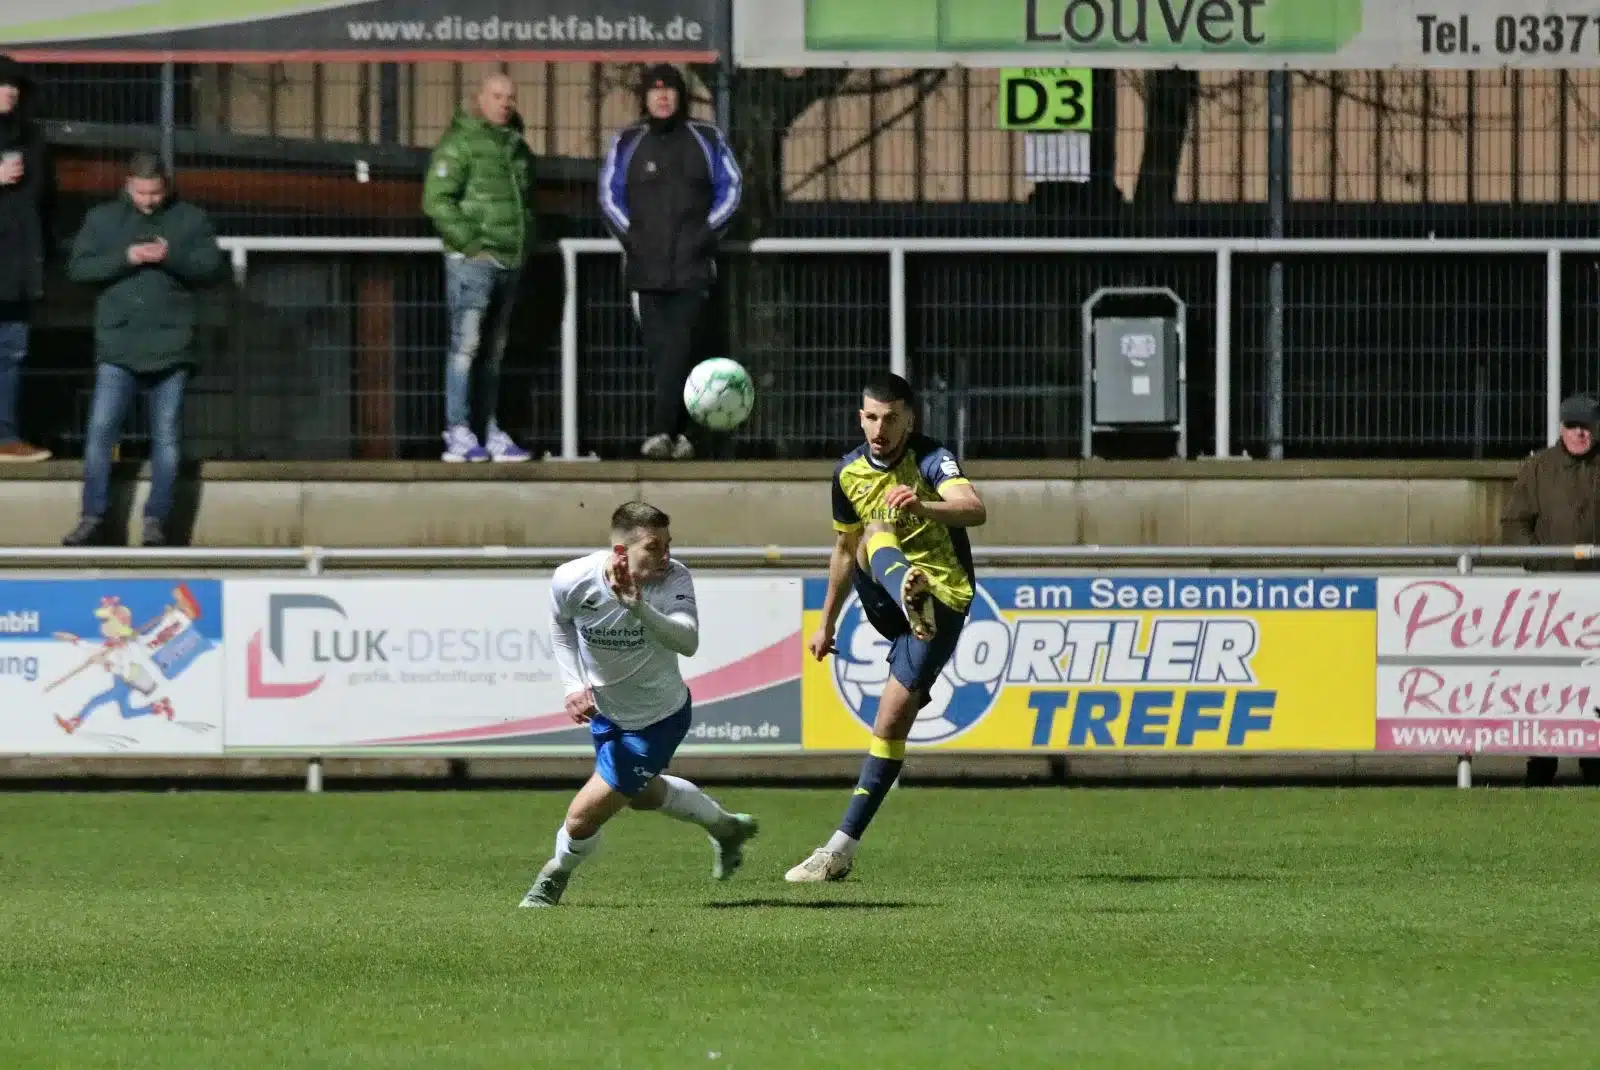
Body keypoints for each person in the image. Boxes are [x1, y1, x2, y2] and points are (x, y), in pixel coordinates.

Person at [786, 374, 988, 883]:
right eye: (872, 417)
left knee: (890, 723)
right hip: (887, 596)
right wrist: (825, 622)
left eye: (891, 418)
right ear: (860, 417)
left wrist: (923, 506)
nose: (881, 428)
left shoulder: (931, 458)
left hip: (941, 600)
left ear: (910, 420)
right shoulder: (848, 474)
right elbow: (840, 551)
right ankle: (904, 588)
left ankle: (839, 850)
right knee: (869, 531)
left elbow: (974, 508)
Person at [521, 500, 759, 907]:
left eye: (668, 544)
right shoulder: (571, 579)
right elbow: (560, 624)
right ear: (620, 553)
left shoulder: (673, 579)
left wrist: (638, 607)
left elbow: (687, 641)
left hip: (657, 720)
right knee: (645, 796)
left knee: (582, 817)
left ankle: (552, 877)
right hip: (607, 715)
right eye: (654, 546)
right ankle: (726, 828)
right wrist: (572, 684)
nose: (666, 555)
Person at [63, 153, 224, 548]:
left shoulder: (190, 219)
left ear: (165, 186)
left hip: (172, 345)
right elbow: (79, 269)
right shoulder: (103, 219)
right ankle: (93, 517)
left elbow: (211, 269)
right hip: (118, 344)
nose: (149, 200)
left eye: (155, 193)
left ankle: (157, 521)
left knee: (166, 438)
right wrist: (128, 257)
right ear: (128, 184)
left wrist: (172, 257)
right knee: (100, 434)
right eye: (141, 192)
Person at [599, 64, 741, 461]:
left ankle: (663, 431)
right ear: (644, 98)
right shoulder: (628, 141)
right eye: (655, 90)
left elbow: (731, 189)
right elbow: (609, 197)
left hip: (693, 268)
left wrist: (705, 236)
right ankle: (682, 437)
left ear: (680, 96)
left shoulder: (707, 137)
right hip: (645, 270)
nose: (662, 97)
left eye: (670, 90)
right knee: (663, 353)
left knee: (681, 348)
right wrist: (634, 239)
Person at [423, 72, 534, 464]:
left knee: (493, 353)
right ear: (480, 99)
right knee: (466, 347)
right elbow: (437, 200)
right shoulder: (460, 144)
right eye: (498, 95)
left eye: (511, 96)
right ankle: (458, 430)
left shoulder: (516, 146)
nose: (506, 102)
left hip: (509, 260)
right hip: (477, 262)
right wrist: (472, 246)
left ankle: (487, 430)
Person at [1501, 393, 1600, 787]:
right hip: (1549, 598)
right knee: (1547, 680)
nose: (1580, 434)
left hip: (1595, 593)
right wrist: (1539, 564)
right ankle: (1541, 760)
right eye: (1573, 427)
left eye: (1587, 428)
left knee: (1593, 679)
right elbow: (1514, 525)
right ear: (1561, 428)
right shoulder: (1537, 469)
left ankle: (1592, 758)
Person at [0, 54, 52, 462]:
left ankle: (7, 436)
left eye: (15, 87)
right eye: (3, 85)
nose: (10, 92)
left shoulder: (30, 138)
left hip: (16, 267)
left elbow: (42, 202)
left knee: (13, 352)